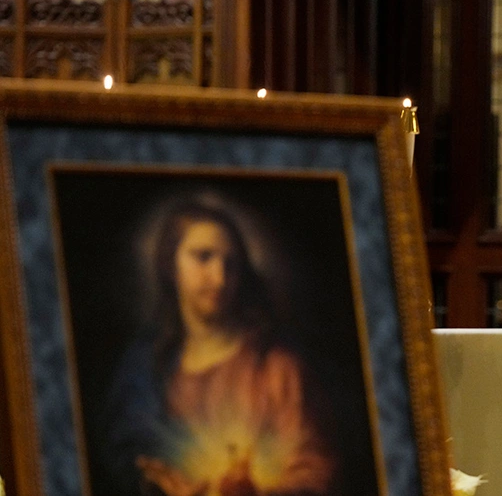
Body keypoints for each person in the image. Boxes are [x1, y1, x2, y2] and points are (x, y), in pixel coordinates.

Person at [102, 198, 336, 495]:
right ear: (170, 266)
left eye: (231, 264)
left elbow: (314, 473)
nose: (220, 277)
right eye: (203, 257)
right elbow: (125, 456)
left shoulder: (275, 366)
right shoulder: (146, 370)